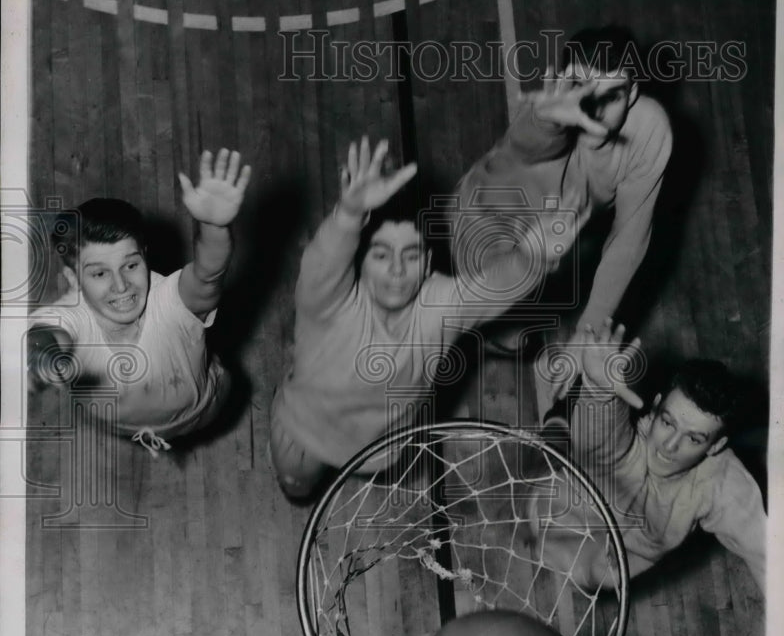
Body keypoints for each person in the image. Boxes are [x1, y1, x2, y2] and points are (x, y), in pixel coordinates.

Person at [269, 135, 546, 500]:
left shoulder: (438, 305)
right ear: (359, 263)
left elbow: (494, 286)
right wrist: (350, 214)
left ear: (429, 265)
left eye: (412, 256)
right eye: (382, 255)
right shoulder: (327, 301)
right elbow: (323, 258)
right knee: (297, 489)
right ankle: (293, 383)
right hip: (304, 433)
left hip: (375, 448)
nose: (397, 270)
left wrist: (537, 255)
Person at [454, 26, 673, 399]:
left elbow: (629, 240)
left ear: (634, 94)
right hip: (490, 219)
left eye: (613, 95)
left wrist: (585, 334)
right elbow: (526, 144)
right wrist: (546, 119)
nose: (594, 109)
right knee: (509, 337)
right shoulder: (548, 119)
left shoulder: (651, 128)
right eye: (581, 89)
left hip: (560, 223)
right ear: (561, 86)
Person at [27, 148, 251, 454]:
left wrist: (214, 228)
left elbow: (208, 276)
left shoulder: (171, 303)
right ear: (74, 279)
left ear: (145, 256)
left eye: (131, 265)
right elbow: (47, 336)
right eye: (99, 273)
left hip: (200, 409)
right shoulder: (68, 317)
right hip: (118, 424)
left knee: (207, 421)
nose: (121, 286)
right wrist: (39, 352)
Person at [537, 319, 766, 593]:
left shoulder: (722, 484)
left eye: (693, 439)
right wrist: (598, 391)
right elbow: (604, 436)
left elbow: (769, 557)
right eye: (667, 423)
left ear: (716, 447)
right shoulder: (627, 441)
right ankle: (559, 420)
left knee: (591, 575)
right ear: (656, 406)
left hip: (620, 558)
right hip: (571, 511)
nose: (669, 445)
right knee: (563, 446)